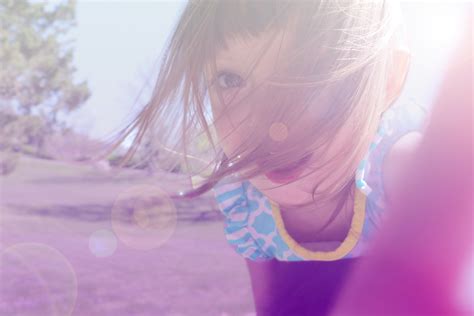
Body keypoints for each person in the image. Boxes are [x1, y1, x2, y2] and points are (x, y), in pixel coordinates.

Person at [105, 1, 429, 314]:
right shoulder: (248, 209)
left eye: (308, 72)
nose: (266, 122)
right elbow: (271, 307)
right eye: (230, 79)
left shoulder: (404, 177)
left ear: (387, 79)